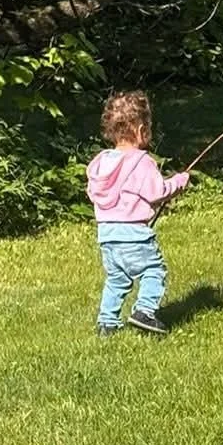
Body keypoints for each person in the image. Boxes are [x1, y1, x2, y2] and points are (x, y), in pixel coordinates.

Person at [87, 91, 190, 336]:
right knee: (153, 271)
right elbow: (157, 191)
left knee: (117, 279)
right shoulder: (142, 161)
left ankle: (107, 323)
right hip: (134, 234)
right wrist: (179, 181)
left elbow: (93, 192)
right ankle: (144, 311)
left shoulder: (101, 162)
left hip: (107, 235)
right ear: (142, 129)